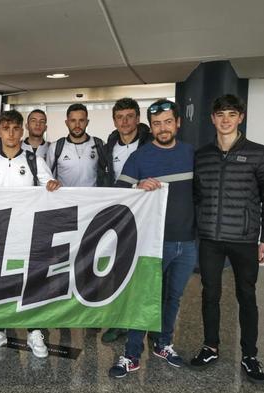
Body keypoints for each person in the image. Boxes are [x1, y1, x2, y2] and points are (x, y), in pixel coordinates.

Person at [109, 99, 196, 378]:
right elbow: (119, 191)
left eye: (168, 122)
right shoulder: (141, 157)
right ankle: (132, 354)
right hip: (155, 242)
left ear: (178, 123)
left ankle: (163, 343)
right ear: (151, 126)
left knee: (173, 297)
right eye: (157, 123)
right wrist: (137, 184)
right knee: (145, 297)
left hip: (188, 242)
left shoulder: (191, 153)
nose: (163, 128)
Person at [0, 110, 60, 358]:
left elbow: (52, 191)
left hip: (29, 234)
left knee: (31, 282)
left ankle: (34, 332)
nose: (11, 134)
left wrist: (54, 186)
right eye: (6, 128)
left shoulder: (35, 162)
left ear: (21, 131)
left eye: (15, 128)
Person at [191, 94, 264, 383]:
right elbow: (197, 194)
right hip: (210, 237)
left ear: (240, 118)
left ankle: (249, 355)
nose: (225, 120)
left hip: (244, 238)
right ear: (212, 118)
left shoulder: (259, 154)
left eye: (231, 114)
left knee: (246, 297)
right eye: (220, 114)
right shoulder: (202, 155)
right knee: (210, 294)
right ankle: (210, 346)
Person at [99, 98, 151, 343]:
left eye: (130, 116)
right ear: (114, 120)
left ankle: (145, 325)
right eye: (120, 117)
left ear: (138, 118)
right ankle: (119, 322)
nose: (125, 121)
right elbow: (103, 182)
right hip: (118, 218)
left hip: (146, 217)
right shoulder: (109, 148)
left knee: (144, 272)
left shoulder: (150, 144)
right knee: (118, 270)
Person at [46, 103, 108, 187]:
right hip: (65, 199)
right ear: (66, 123)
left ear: (87, 122)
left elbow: (108, 174)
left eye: (81, 120)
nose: (77, 125)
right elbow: (48, 179)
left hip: (92, 199)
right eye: (73, 120)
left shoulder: (99, 144)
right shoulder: (55, 147)